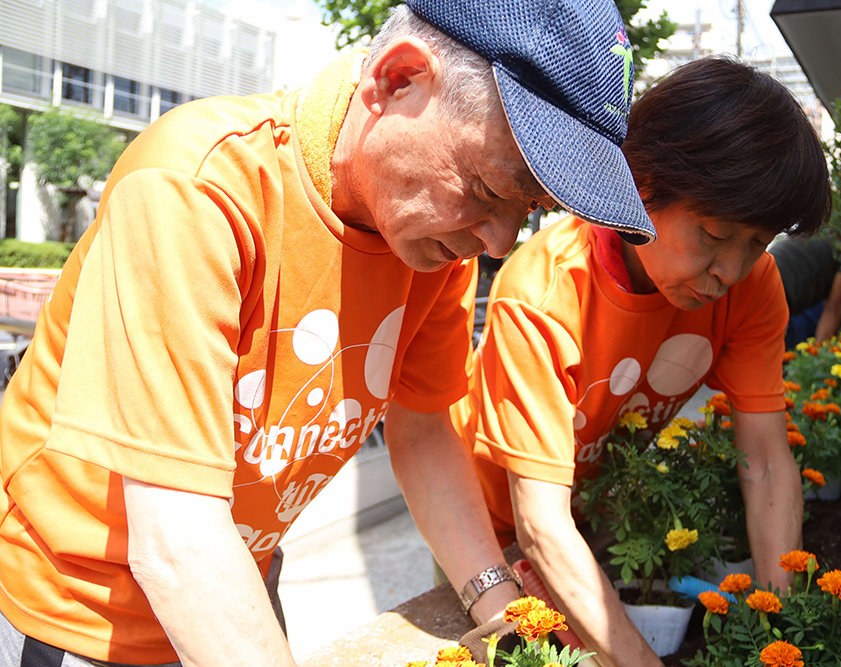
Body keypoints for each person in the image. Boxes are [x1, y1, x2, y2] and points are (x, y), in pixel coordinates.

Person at [0, 1, 655, 665]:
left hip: (240, 579)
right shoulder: (197, 189)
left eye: (527, 212)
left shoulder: (430, 240)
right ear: (398, 79)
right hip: (72, 609)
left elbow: (425, 432)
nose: (496, 240)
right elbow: (176, 535)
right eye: (488, 187)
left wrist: (505, 615)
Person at [450, 57, 831, 667]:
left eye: (757, 244)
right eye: (712, 233)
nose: (729, 272)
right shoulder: (546, 292)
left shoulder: (753, 287)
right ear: (640, 182)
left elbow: (765, 459)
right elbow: (537, 525)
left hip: (584, 516)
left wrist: (778, 633)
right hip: (487, 524)